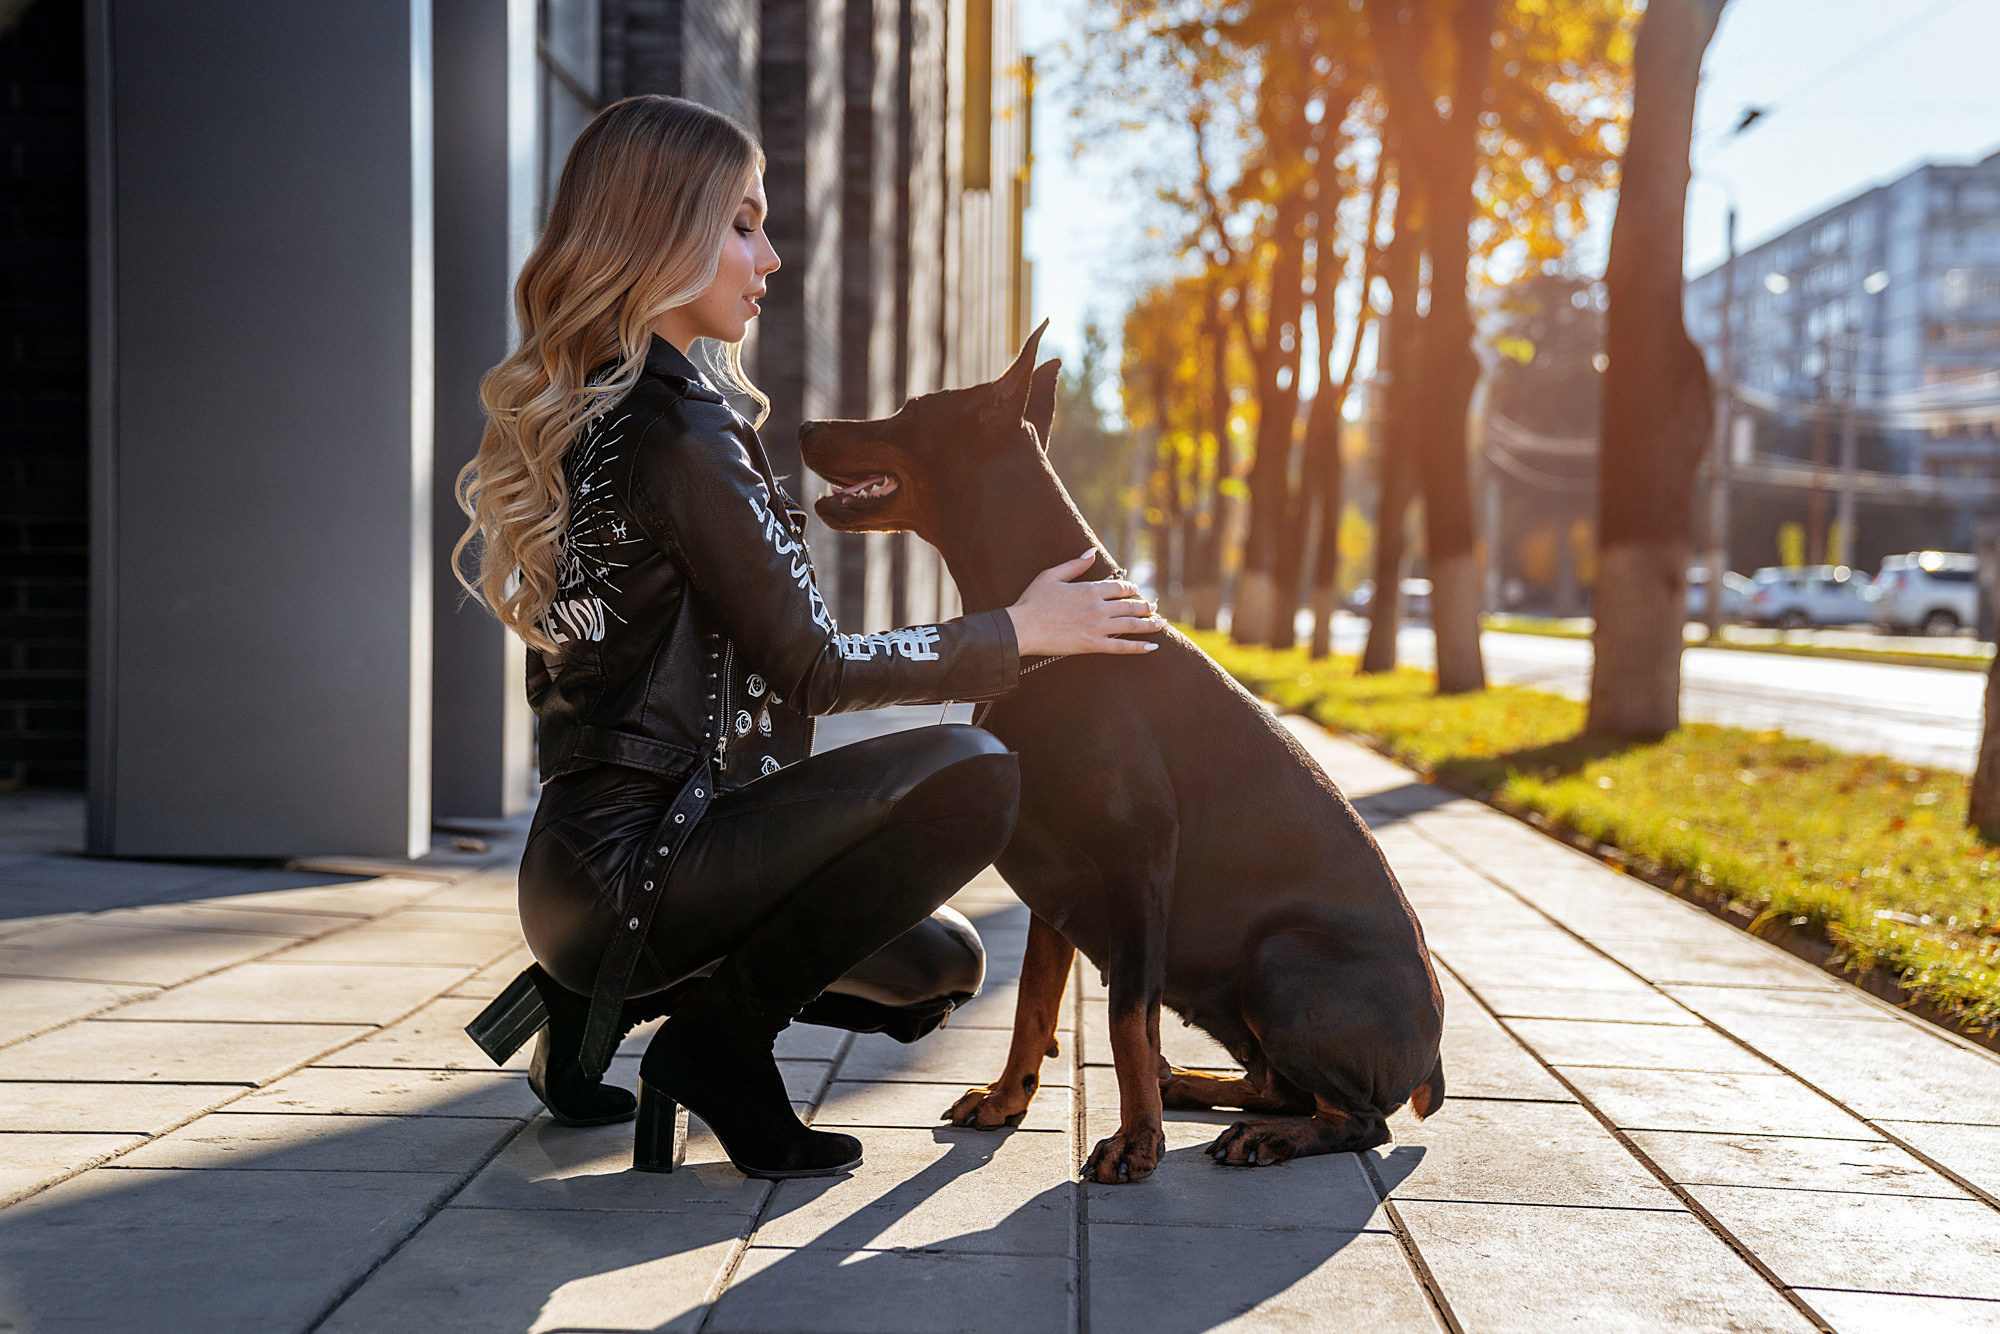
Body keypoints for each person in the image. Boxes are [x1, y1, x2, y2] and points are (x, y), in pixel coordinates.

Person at [454, 95, 1161, 1181]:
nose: (769, 256)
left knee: (939, 964)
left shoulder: (610, 410)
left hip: (580, 872)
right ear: (661, 232)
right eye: (742, 223)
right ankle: (715, 1047)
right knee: (975, 772)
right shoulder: (682, 430)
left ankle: (592, 1002)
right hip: (648, 861)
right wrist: (1016, 629)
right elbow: (815, 665)